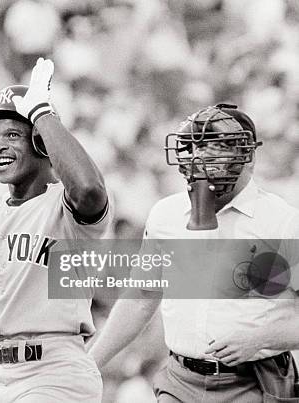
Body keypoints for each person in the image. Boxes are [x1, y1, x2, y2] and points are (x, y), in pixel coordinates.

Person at [89, 104, 299, 402]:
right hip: (180, 379)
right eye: (194, 147)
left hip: (254, 381)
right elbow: (142, 297)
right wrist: (90, 362)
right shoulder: (165, 214)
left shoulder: (283, 221)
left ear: (248, 155)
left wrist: (261, 337)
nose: (200, 158)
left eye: (216, 147)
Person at [0, 57, 111, 402]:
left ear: (41, 143)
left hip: (57, 371)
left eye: (13, 135)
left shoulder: (65, 204)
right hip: (3, 376)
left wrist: (42, 113)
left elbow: (91, 191)